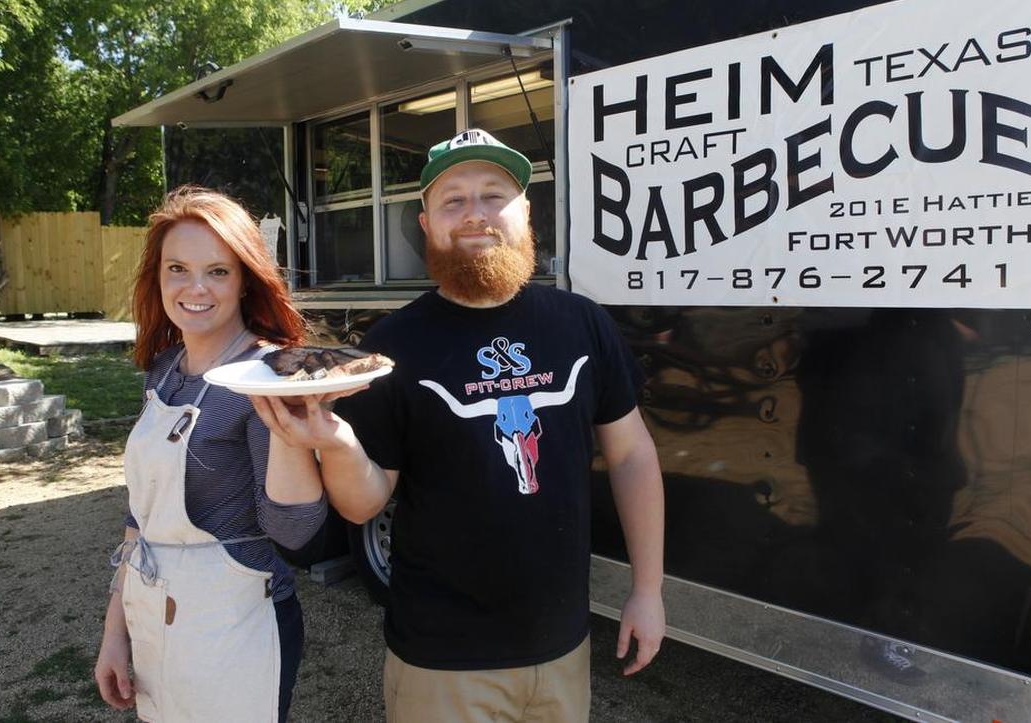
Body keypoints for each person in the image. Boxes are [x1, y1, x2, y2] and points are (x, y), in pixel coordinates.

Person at [254, 129, 666, 721]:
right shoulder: (394, 345)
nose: (475, 214)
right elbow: (363, 504)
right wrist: (338, 444)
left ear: (526, 213)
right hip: (443, 661)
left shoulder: (582, 324)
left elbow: (632, 457)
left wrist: (648, 591)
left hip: (564, 646)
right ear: (426, 224)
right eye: (453, 200)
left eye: (494, 195)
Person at [94, 186, 327, 722]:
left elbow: (295, 534)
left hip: (235, 625)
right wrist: (116, 632)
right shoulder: (165, 370)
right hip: (154, 615)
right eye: (178, 268)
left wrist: (288, 425)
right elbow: (139, 519)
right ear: (157, 276)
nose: (195, 288)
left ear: (246, 279)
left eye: (218, 271)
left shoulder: (267, 376)